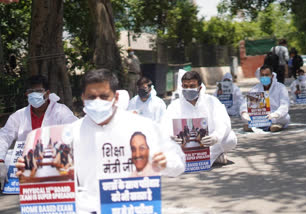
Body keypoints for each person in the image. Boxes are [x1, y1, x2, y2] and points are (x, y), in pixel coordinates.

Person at [18, 69, 185, 213]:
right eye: (92, 97)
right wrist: (30, 173)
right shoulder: (69, 134)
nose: (97, 102)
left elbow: (178, 164)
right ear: (83, 97)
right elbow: (53, 177)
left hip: (134, 207)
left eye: (104, 96)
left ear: (116, 97)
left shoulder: (144, 127)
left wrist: (165, 162)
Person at [0, 75, 78, 190]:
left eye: (38, 91)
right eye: (31, 91)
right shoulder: (19, 116)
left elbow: (75, 131)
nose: (34, 94)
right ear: (27, 95)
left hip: (55, 164)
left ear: (47, 93)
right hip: (25, 167)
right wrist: (0, 161)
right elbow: (4, 136)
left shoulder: (61, 111)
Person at [163, 71, 237, 165]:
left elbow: (223, 122)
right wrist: (171, 137)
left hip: (209, 144)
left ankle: (210, 155)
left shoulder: (211, 101)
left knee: (231, 138)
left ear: (200, 88)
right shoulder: (175, 105)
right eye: (185, 86)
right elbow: (165, 125)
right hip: (183, 145)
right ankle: (213, 157)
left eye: (192, 86)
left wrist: (215, 137)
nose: (188, 89)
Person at [240, 64, 290, 132]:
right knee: (246, 118)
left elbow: (285, 105)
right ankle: (268, 127)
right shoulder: (255, 89)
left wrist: (276, 114)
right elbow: (245, 103)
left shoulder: (281, 88)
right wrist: (244, 112)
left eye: (266, 75)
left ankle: (273, 126)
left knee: (284, 117)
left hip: (274, 116)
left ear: (272, 76)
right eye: (262, 75)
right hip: (259, 117)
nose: (264, 77)